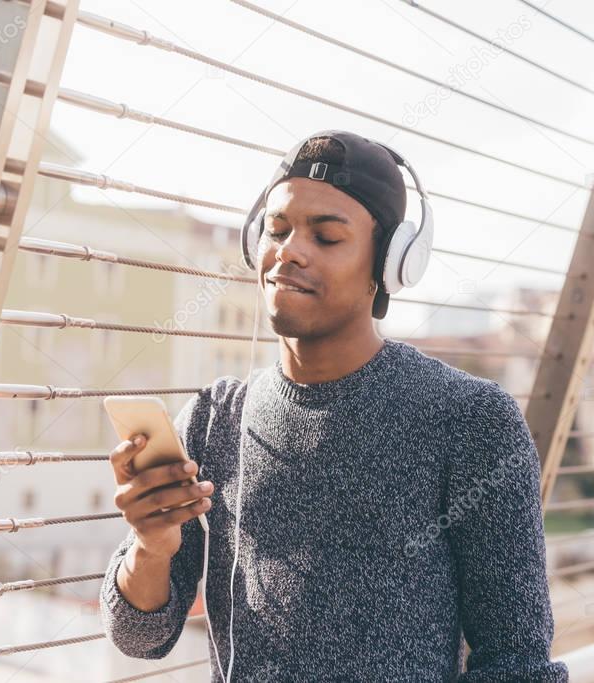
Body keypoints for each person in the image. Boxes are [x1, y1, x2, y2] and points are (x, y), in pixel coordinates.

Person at [99, 131, 568, 681]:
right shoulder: (214, 419)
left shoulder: (470, 420)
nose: (289, 250)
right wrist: (150, 547)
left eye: (326, 236)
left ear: (390, 265)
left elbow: (517, 662)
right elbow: (139, 637)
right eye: (277, 230)